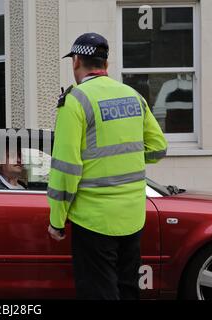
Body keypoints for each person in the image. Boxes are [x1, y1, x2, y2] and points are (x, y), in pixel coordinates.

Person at [47, 33, 167, 300]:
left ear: (76, 61)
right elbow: (158, 148)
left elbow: (66, 168)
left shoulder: (75, 100)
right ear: (106, 64)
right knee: (127, 290)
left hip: (94, 220)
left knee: (98, 292)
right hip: (133, 217)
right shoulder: (133, 96)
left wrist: (57, 220)